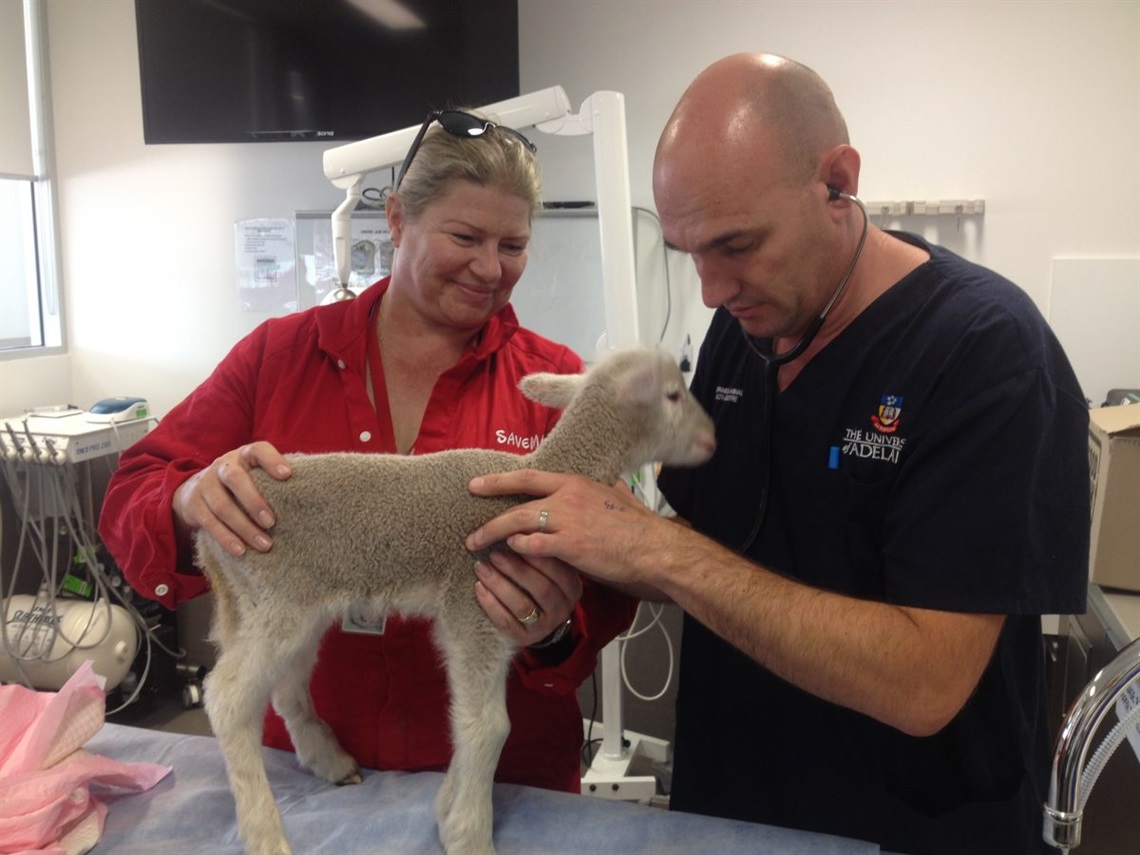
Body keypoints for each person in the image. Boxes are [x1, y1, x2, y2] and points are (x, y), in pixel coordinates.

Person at [465, 54, 1089, 854]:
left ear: (838, 181)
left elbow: (926, 682)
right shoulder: (749, 326)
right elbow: (708, 554)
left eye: (735, 245)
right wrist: (561, 552)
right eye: (691, 252)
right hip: (731, 813)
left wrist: (651, 546)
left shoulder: (985, 354)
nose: (711, 290)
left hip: (911, 827)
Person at [98, 108, 637, 793]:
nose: (489, 267)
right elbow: (133, 489)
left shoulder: (552, 389)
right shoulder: (279, 358)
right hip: (305, 776)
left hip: (502, 780)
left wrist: (558, 627)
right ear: (396, 219)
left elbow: (613, 580)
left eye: (513, 245)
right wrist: (186, 500)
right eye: (465, 236)